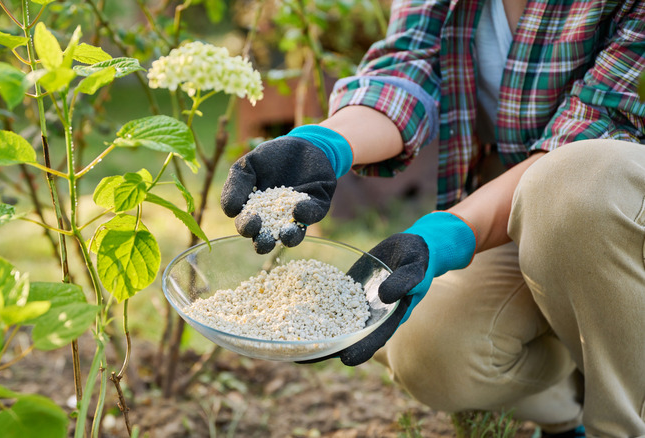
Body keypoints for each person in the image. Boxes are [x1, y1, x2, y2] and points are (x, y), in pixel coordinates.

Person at [220, 0, 645, 435]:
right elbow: (408, 67)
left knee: (579, 182)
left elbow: (599, 125)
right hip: (523, 208)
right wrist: (324, 145)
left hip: (616, 206)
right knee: (429, 349)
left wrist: (444, 235)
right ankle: (570, 401)